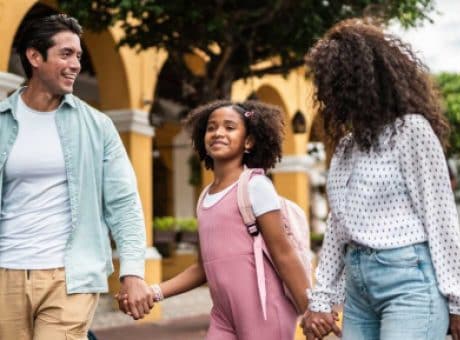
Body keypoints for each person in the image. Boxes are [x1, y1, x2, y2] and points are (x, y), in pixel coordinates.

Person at [300, 19, 460, 340]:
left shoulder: (411, 131)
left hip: (409, 281)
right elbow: (338, 227)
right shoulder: (346, 147)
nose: (327, 95)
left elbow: (440, 218)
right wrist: (321, 298)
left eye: (336, 84)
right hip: (359, 286)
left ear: (364, 83)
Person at [0, 14, 153, 340]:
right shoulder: (1, 121)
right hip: (5, 273)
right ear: (35, 57)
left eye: (79, 56)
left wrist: (132, 272)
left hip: (70, 276)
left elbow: (124, 203)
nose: (75, 64)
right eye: (66, 54)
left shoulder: (97, 127)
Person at [119, 100, 314, 339]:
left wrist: (311, 311)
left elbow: (284, 255)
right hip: (223, 316)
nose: (218, 132)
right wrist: (154, 292)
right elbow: (203, 267)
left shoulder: (255, 186)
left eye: (230, 127)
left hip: (264, 312)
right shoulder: (205, 198)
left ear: (249, 141)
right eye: (211, 128)